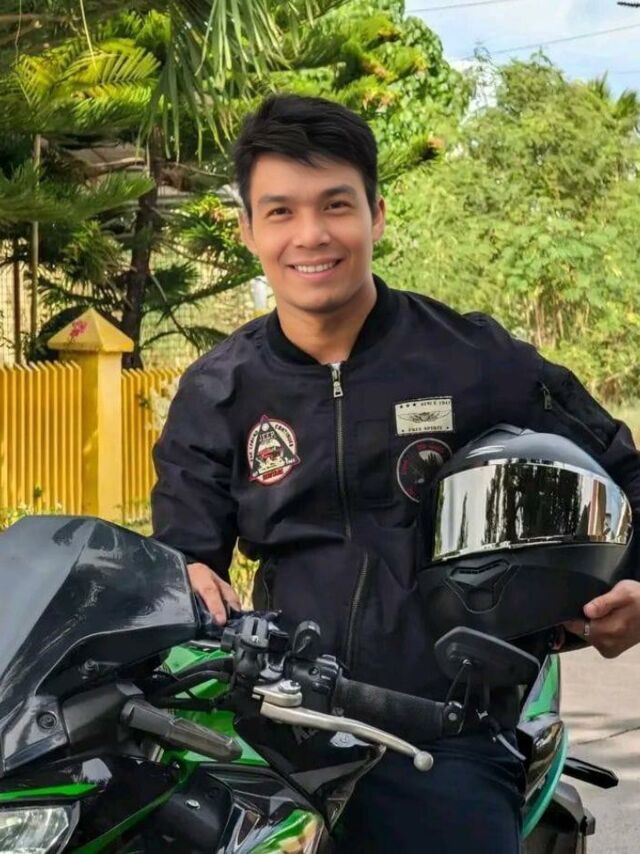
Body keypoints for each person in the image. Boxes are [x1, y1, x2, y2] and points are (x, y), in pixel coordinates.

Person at [151, 94, 640, 853]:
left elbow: (622, 471)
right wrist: (181, 581)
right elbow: (182, 561)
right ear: (248, 230)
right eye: (280, 212)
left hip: (445, 733)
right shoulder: (220, 389)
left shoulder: (473, 360)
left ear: (375, 215)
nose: (310, 235)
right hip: (280, 731)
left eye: (335, 205)